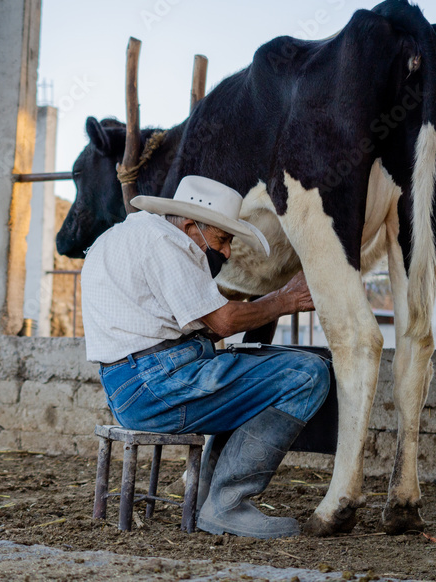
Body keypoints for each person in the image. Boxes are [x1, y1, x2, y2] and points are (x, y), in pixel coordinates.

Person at [80, 175, 332, 539]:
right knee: (307, 373)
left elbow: (192, 325)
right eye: (222, 239)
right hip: (159, 384)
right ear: (189, 226)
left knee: (254, 373)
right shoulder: (166, 242)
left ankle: (206, 499)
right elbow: (224, 321)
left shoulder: (120, 237)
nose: (225, 252)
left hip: (131, 385)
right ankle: (228, 504)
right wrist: (286, 299)